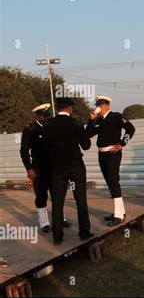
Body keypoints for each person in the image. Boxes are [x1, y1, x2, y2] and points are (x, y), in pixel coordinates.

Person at [43, 98, 93, 244]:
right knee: (80, 199)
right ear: (70, 109)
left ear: (57, 109)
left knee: (57, 202)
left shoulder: (48, 125)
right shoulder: (75, 123)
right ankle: (84, 232)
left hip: (57, 168)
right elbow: (86, 146)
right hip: (76, 166)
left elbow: (45, 147)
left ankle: (57, 236)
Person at [86, 95, 136, 226]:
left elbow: (131, 129)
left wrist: (121, 144)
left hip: (112, 153)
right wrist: (91, 120)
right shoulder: (99, 120)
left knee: (113, 181)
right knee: (110, 182)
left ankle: (119, 216)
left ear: (107, 105)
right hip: (101, 154)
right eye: (97, 105)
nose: (98, 108)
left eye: (101, 105)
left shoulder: (116, 116)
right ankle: (120, 211)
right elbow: (88, 134)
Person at [20, 103, 71, 232]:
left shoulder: (53, 126)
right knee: (41, 196)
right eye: (44, 116)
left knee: (57, 195)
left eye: (48, 115)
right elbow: (24, 151)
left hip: (55, 167)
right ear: (38, 117)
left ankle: (61, 218)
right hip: (39, 169)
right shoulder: (30, 130)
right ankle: (44, 223)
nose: (47, 118)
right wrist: (29, 168)